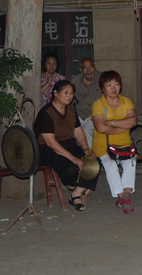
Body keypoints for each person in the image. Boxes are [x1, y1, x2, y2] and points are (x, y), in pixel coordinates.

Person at [34, 79, 97, 212]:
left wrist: (86, 148)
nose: (69, 96)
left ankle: (76, 194)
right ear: (56, 93)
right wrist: (73, 158)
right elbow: (50, 142)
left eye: (72, 93)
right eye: (66, 92)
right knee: (71, 168)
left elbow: (78, 132)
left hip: (69, 144)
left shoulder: (71, 110)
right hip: (49, 149)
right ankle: (76, 186)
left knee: (94, 162)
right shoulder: (46, 113)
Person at [91, 70, 137, 214]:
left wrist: (110, 122)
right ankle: (122, 196)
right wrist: (123, 125)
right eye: (109, 84)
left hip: (125, 144)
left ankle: (126, 194)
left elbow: (133, 122)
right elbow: (100, 128)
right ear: (102, 88)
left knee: (130, 163)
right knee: (110, 164)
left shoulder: (126, 101)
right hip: (104, 145)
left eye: (116, 84)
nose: (113, 88)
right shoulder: (98, 104)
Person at [71, 58, 102, 149]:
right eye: (85, 68)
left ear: (94, 67)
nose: (89, 70)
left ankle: (89, 154)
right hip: (79, 115)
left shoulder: (101, 78)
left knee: (85, 132)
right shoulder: (75, 81)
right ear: (81, 70)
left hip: (94, 115)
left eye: (91, 67)